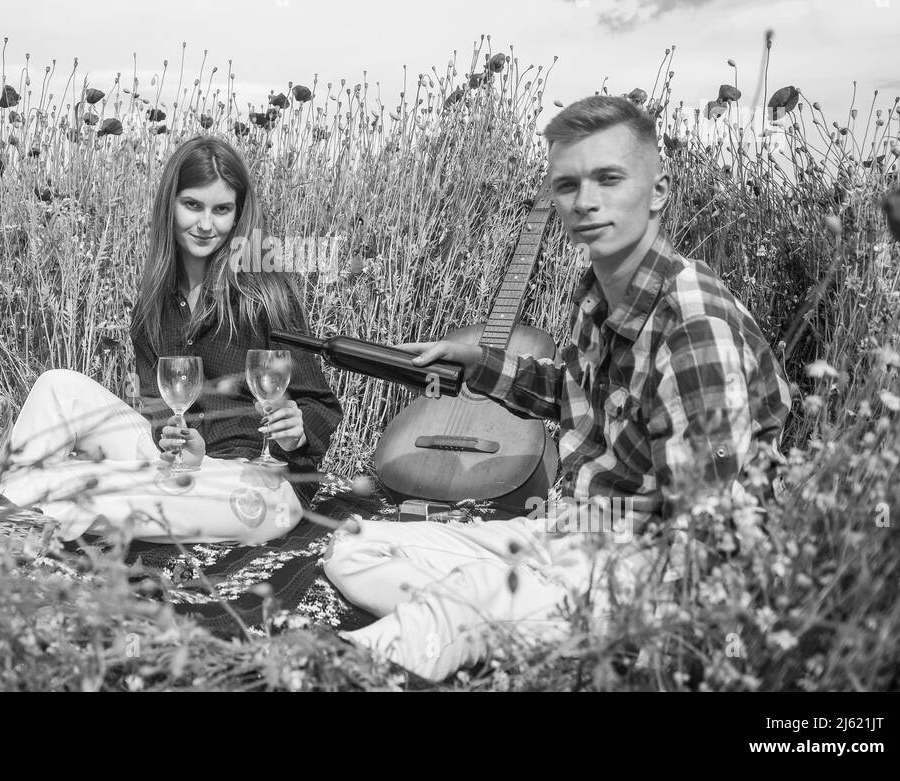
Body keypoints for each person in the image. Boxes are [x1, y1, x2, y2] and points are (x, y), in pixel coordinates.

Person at [322, 94, 793, 681]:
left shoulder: (693, 330)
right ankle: (494, 621)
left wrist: (591, 554)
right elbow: (574, 389)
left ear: (659, 191)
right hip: (575, 534)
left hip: (651, 570)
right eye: (567, 185)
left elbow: (704, 533)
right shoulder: (599, 296)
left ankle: (349, 663)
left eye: (609, 179)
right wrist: (478, 362)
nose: (585, 201)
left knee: (464, 599)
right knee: (355, 546)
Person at [0, 136, 342, 544]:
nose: (206, 224)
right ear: (169, 206)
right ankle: (1, 510)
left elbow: (319, 403)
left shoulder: (263, 295)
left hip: (257, 483)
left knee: (88, 485)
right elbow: (159, 415)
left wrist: (296, 433)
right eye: (192, 205)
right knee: (57, 385)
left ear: (239, 215)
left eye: (221, 209)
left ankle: (0, 517)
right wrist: (175, 440)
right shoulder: (155, 304)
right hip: (186, 468)